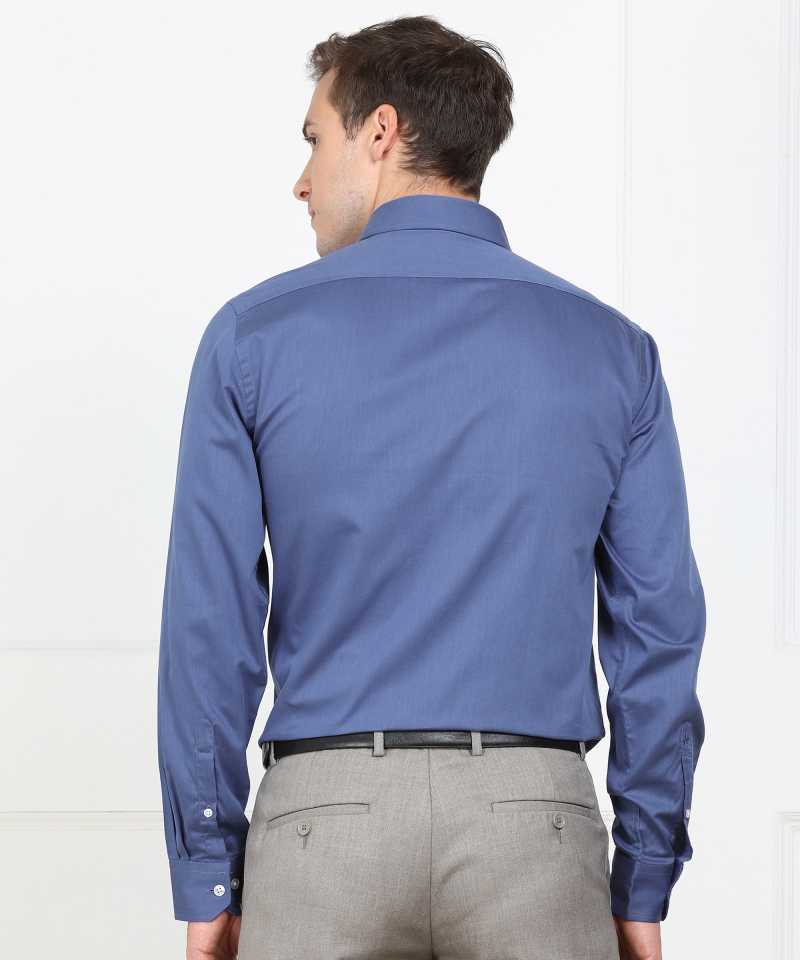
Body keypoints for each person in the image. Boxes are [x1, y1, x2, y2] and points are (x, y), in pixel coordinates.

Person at [156, 14, 705, 960]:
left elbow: (210, 626)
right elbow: (659, 629)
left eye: (313, 140)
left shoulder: (252, 338)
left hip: (322, 829)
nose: (302, 180)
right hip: (535, 831)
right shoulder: (612, 351)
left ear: (380, 131)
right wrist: (644, 873)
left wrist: (208, 870)